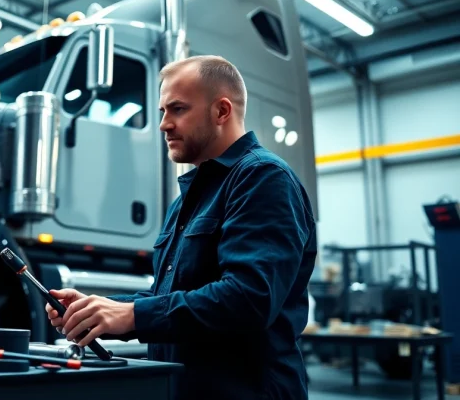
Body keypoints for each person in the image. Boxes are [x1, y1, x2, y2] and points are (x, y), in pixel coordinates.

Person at [45, 55, 317, 400]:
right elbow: (172, 298)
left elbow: (249, 299)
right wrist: (102, 308)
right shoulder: (190, 198)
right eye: (162, 112)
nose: (163, 124)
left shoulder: (263, 178)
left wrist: (132, 315)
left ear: (221, 111)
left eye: (177, 109)